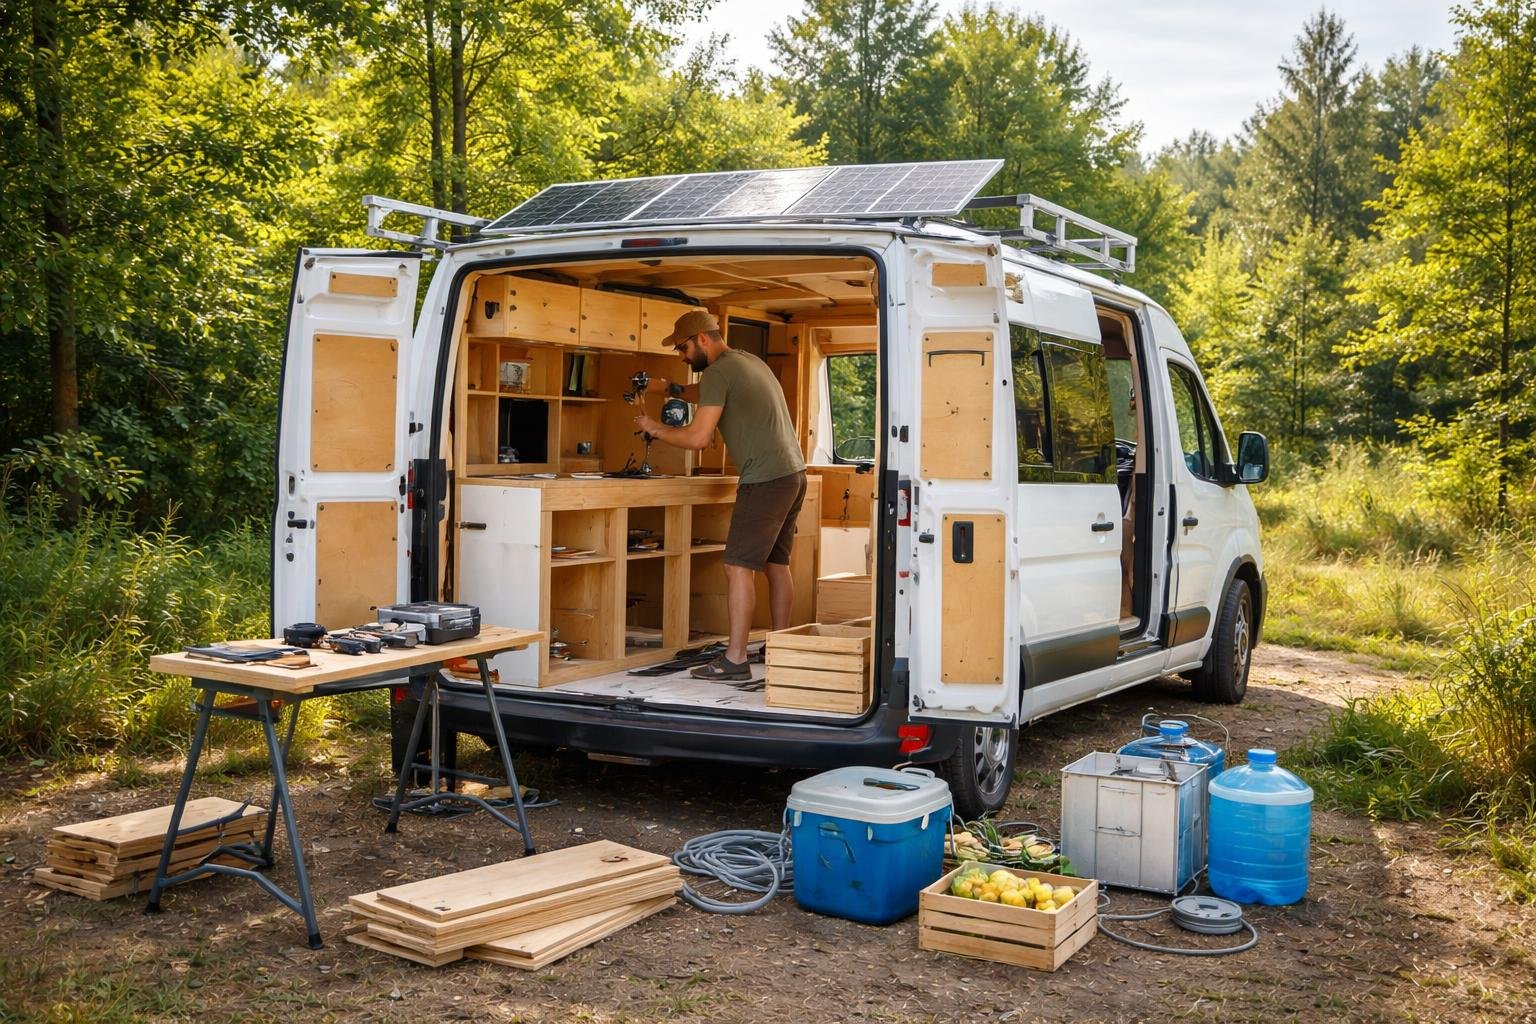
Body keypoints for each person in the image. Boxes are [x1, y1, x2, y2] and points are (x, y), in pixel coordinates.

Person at [632, 310, 806, 681]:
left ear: (703, 340)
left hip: (765, 480)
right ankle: (780, 647)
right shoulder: (745, 361)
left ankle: (735, 661)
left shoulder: (717, 371)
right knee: (777, 565)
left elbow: (698, 439)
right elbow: (708, 393)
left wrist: (655, 428)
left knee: (737, 566)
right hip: (793, 474)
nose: (681, 356)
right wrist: (672, 389)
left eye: (682, 347)